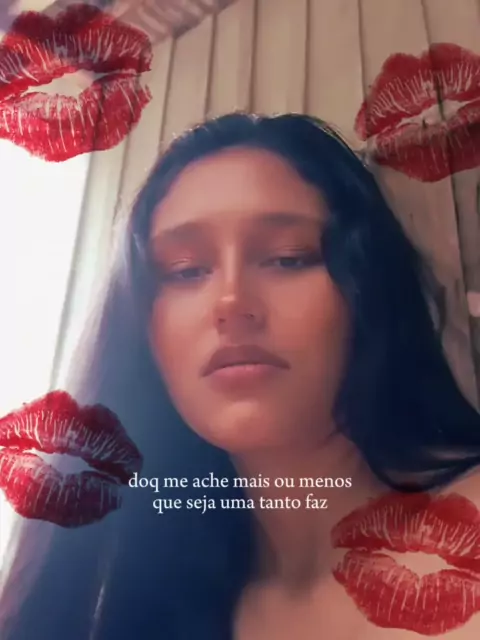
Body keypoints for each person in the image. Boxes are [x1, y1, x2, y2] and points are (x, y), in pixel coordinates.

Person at [5, 112, 480, 640]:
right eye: (186, 271)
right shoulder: (144, 589)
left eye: (287, 258)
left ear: (370, 288)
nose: (231, 302)